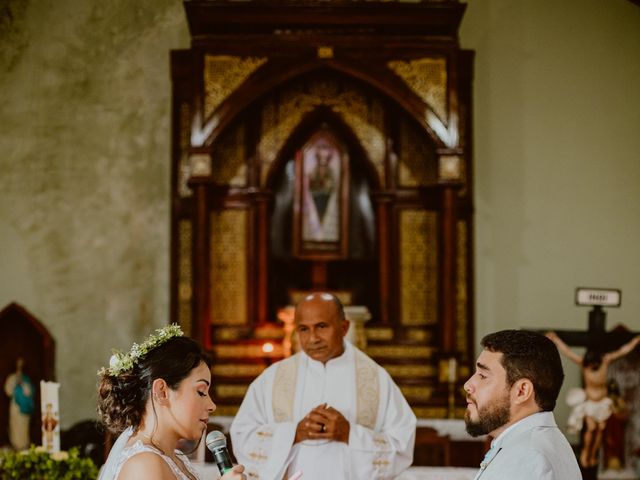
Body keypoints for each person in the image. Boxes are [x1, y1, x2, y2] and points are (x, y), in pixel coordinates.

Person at [230, 292, 416, 480]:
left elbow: (402, 446)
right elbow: (242, 435)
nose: (313, 339)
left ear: (344, 327)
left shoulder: (376, 379)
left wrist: (349, 434)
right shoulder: (273, 378)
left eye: (321, 326)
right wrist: (294, 433)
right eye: (303, 329)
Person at [97, 324, 246, 480]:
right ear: (162, 391)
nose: (212, 405)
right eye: (201, 392)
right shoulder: (145, 465)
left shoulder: (176, 458)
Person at [463, 329, 581, 480]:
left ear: (522, 391)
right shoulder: (532, 445)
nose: (468, 385)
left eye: (483, 376)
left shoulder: (527, 457)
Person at [546, 332, 640, 469]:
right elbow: (567, 352)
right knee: (591, 428)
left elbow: (622, 351)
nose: (593, 367)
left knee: (601, 429)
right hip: (590, 403)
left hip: (603, 402)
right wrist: (556, 340)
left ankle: (593, 454)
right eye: (591, 365)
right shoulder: (584, 363)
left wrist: (636, 341)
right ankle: (585, 452)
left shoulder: (605, 360)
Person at [3, 357, 34, 451]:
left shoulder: (26, 378)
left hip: (24, 407)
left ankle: (23, 446)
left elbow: (30, 392)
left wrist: (24, 385)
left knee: (23, 427)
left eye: (21, 364)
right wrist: (15, 383)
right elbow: (8, 390)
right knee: (14, 425)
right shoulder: (12, 377)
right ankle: (15, 445)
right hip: (15, 406)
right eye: (18, 364)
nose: (19, 366)